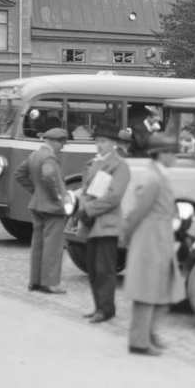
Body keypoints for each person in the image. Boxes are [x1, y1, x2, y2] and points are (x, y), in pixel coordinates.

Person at [120, 133, 185, 355]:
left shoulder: (158, 175)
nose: (175, 157)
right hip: (150, 239)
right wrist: (125, 235)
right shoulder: (152, 178)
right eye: (172, 153)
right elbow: (137, 211)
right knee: (146, 291)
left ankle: (149, 333)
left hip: (159, 238)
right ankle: (139, 341)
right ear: (162, 154)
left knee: (163, 288)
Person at [75, 121, 132, 323]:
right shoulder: (97, 163)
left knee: (104, 270)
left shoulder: (120, 165)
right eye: (97, 141)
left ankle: (106, 309)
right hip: (92, 224)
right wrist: (81, 205)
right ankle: (100, 306)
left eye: (104, 141)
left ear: (113, 143)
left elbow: (113, 197)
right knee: (93, 269)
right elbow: (90, 191)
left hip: (106, 224)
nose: (99, 145)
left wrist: (87, 209)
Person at [13, 127, 71, 294]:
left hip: (37, 205)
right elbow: (48, 176)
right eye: (62, 143)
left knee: (38, 244)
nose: (62, 147)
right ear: (54, 142)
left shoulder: (35, 155)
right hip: (52, 208)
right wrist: (57, 197)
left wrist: (36, 191)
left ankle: (35, 281)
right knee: (53, 246)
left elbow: (19, 174)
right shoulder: (49, 157)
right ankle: (50, 283)